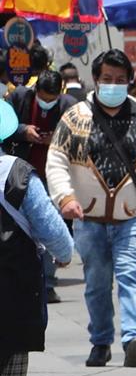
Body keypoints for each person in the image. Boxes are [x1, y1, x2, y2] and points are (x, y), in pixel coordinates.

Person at [46, 50, 136, 368]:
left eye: (120, 80)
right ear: (95, 80)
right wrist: (65, 197)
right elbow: (56, 160)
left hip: (133, 217)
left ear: (129, 81)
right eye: (107, 79)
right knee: (96, 283)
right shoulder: (76, 117)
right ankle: (100, 341)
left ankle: (133, 337)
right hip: (90, 219)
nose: (113, 85)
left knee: (131, 275)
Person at [0, 98, 74, 376]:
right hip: (11, 287)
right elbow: (51, 229)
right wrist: (63, 253)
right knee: (11, 362)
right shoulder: (18, 172)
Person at [3, 67, 79, 302]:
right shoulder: (18, 98)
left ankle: (48, 282)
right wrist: (24, 131)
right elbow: (4, 127)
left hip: (56, 176)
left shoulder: (70, 106)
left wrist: (57, 137)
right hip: (21, 175)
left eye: (52, 100)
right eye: (43, 99)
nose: (47, 103)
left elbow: (78, 135)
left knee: (51, 224)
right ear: (36, 91)